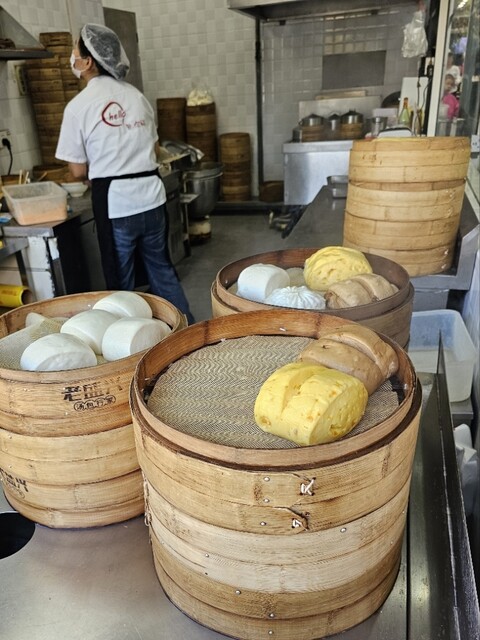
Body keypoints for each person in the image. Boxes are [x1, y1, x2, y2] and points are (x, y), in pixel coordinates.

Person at [55, 23, 194, 324]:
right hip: (152, 198)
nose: (72, 58)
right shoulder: (136, 96)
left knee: (122, 286)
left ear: (88, 62)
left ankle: (132, 342)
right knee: (162, 270)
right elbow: (154, 148)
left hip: (117, 205)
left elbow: (77, 170)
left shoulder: (78, 107)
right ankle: (188, 330)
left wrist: (91, 170)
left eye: (75, 52)